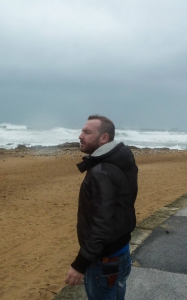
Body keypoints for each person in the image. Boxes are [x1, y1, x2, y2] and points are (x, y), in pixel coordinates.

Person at [65, 115, 138, 300]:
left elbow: (101, 223)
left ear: (104, 138)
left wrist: (80, 264)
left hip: (105, 262)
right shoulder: (120, 161)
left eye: (87, 132)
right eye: (82, 131)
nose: (80, 136)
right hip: (121, 253)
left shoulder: (101, 171)